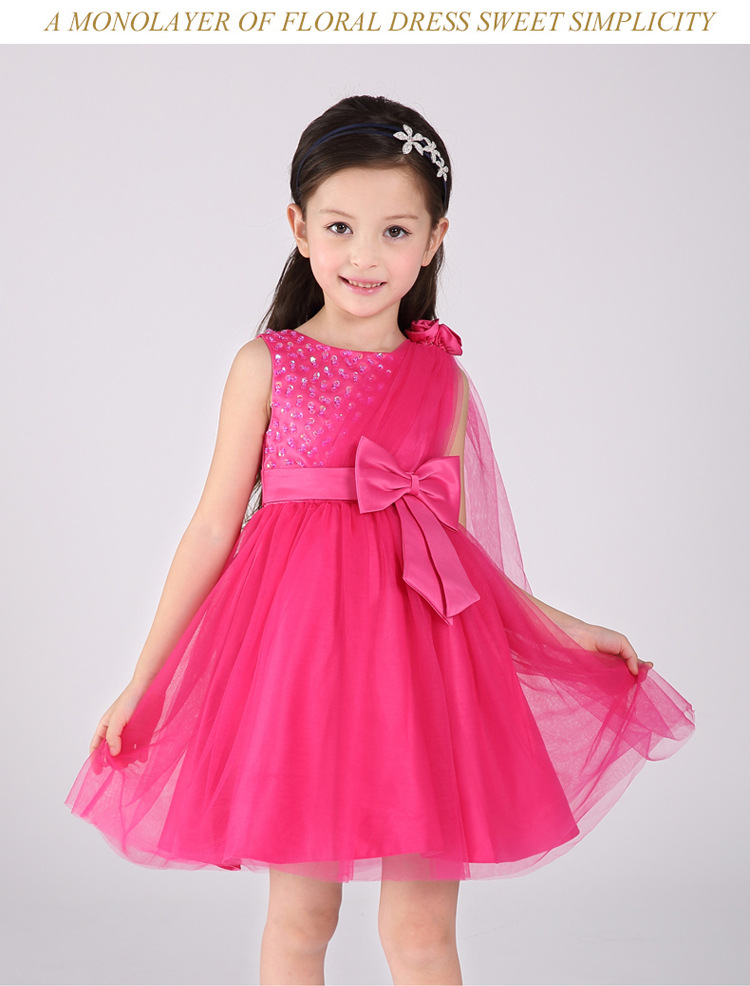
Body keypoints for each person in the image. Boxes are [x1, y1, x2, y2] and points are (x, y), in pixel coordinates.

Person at [66, 94, 694, 986]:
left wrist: (566, 627)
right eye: (340, 227)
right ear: (299, 227)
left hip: (421, 676)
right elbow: (211, 528)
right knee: (301, 919)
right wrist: (146, 680)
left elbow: (457, 552)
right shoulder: (267, 365)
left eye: (395, 231)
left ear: (435, 240)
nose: (365, 256)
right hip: (299, 672)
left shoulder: (445, 381)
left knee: (422, 932)